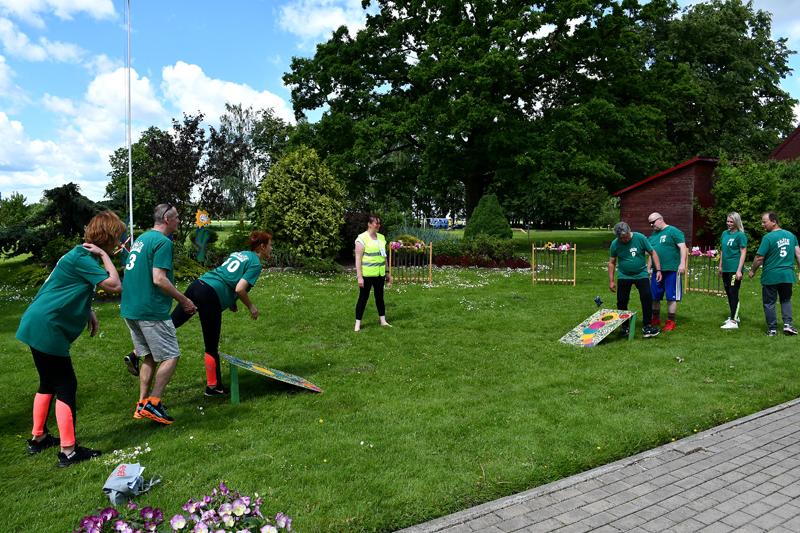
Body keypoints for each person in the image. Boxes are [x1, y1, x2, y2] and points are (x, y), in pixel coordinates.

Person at [16, 210, 125, 467]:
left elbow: (66, 284)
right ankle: (69, 451)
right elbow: (114, 285)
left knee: (48, 383)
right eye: (118, 238)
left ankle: (38, 438)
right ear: (106, 238)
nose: (120, 243)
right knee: (66, 385)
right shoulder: (87, 257)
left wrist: (88, 309)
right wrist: (105, 257)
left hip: (37, 323)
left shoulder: (78, 254)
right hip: (48, 327)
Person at [128, 231, 272, 396]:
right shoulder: (256, 264)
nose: (271, 248)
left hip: (198, 285)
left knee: (170, 325)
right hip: (210, 296)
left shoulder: (239, 254)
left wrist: (232, 301)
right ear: (262, 246)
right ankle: (213, 387)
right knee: (211, 344)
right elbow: (240, 288)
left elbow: (226, 275)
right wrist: (251, 307)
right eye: (270, 245)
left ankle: (135, 353)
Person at [121, 203, 197, 425]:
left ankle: (141, 404)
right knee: (171, 355)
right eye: (177, 218)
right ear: (166, 218)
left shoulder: (142, 239)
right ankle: (154, 404)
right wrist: (184, 300)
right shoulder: (163, 242)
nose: (179, 221)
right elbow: (159, 279)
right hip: (150, 309)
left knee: (150, 356)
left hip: (130, 308)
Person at [748, 212, 800, 336]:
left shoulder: (768, 238)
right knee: (786, 300)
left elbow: (760, 257)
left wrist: (753, 270)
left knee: (769, 303)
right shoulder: (791, 236)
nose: (762, 224)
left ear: (774, 222)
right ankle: (788, 324)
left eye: (764, 222)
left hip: (771, 275)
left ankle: (772, 329)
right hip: (787, 274)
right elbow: (798, 254)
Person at [608, 221, 662, 338]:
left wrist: (658, 270)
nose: (623, 240)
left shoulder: (640, 238)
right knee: (621, 300)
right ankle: (625, 326)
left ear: (629, 232)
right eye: (620, 238)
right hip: (624, 275)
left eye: (625, 237)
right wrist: (611, 280)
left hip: (641, 274)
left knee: (646, 297)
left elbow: (653, 253)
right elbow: (612, 263)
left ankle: (647, 327)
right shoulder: (615, 244)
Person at [647, 212, 687, 332]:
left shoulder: (673, 231)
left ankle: (670, 322)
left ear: (660, 219)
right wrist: (649, 267)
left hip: (671, 270)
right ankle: (656, 318)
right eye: (650, 223)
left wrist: (682, 263)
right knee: (655, 296)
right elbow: (651, 253)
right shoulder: (653, 236)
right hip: (657, 271)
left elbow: (682, 247)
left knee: (671, 296)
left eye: (653, 222)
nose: (651, 225)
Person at [354, 214, 391, 332]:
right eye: (376, 223)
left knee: (380, 297)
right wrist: (360, 277)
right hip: (367, 275)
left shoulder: (381, 238)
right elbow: (358, 259)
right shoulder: (362, 238)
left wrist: (387, 272)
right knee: (363, 298)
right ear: (369, 224)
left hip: (380, 274)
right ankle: (358, 324)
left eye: (379, 223)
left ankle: (383, 321)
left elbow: (384, 256)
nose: (378, 225)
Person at [718, 212, 748, 329]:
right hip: (726, 268)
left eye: (731, 222)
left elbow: (743, 252)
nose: (729, 224)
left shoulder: (740, 235)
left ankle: (734, 321)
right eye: (728, 221)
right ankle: (734, 315)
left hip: (735, 268)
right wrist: (721, 266)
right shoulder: (724, 234)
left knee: (733, 292)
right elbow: (723, 251)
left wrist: (739, 270)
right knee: (728, 292)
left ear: (736, 222)